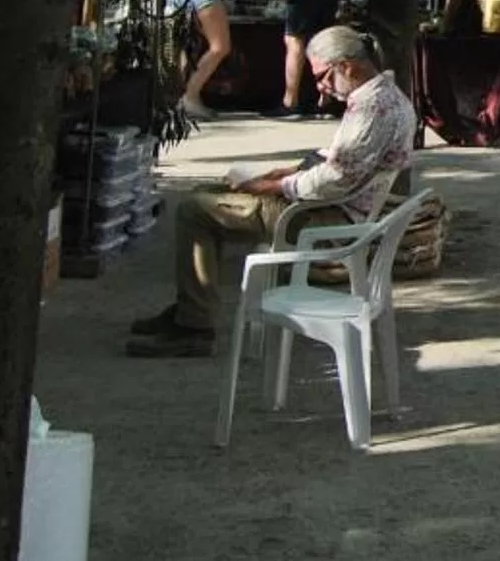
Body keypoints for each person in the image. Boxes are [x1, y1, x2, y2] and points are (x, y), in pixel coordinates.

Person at [126, 25, 417, 357]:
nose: (321, 87)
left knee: (195, 210)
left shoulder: (373, 108)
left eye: (322, 76)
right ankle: (190, 308)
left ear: (346, 66)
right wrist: (289, 172)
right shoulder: (382, 97)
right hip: (333, 206)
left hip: (327, 218)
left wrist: (273, 185)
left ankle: (194, 324)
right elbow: (343, 161)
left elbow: (334, 179)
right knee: (209, 191)